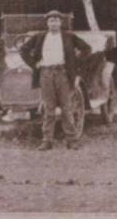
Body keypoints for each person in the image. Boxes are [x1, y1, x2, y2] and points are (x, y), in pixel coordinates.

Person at [19, 10, 91, 150]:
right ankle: (47, 141)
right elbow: (23, 50)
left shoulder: (68, 36)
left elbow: (87, 49)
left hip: (63, 74)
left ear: (61, 22)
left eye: (56, 20)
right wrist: (34, 64)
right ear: (47, 23)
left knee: (66, 108)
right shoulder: (39, 37)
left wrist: (74, 62)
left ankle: (72, 140)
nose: (54, 23)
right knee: (49, 109)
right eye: (51, 20)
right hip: (45, 74)